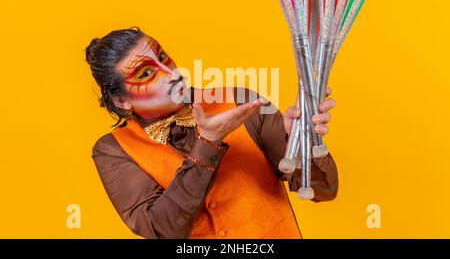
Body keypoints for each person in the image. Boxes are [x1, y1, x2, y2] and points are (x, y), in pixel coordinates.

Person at [85, 27, 338, 239]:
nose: (171, 73)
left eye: (163, 58)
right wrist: (207, 144)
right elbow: (162, 230)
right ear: (121, 101)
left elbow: (323, 190)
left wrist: (303, 141)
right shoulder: (114, 150)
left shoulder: (241, 102)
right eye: (147, 73)